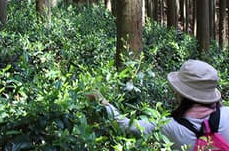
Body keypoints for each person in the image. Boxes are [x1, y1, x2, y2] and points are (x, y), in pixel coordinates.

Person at [88, 60, 229, 151]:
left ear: (181, 93)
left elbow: (126, 125)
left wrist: (102, 102)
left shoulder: (170, 127)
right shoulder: (227, 114)